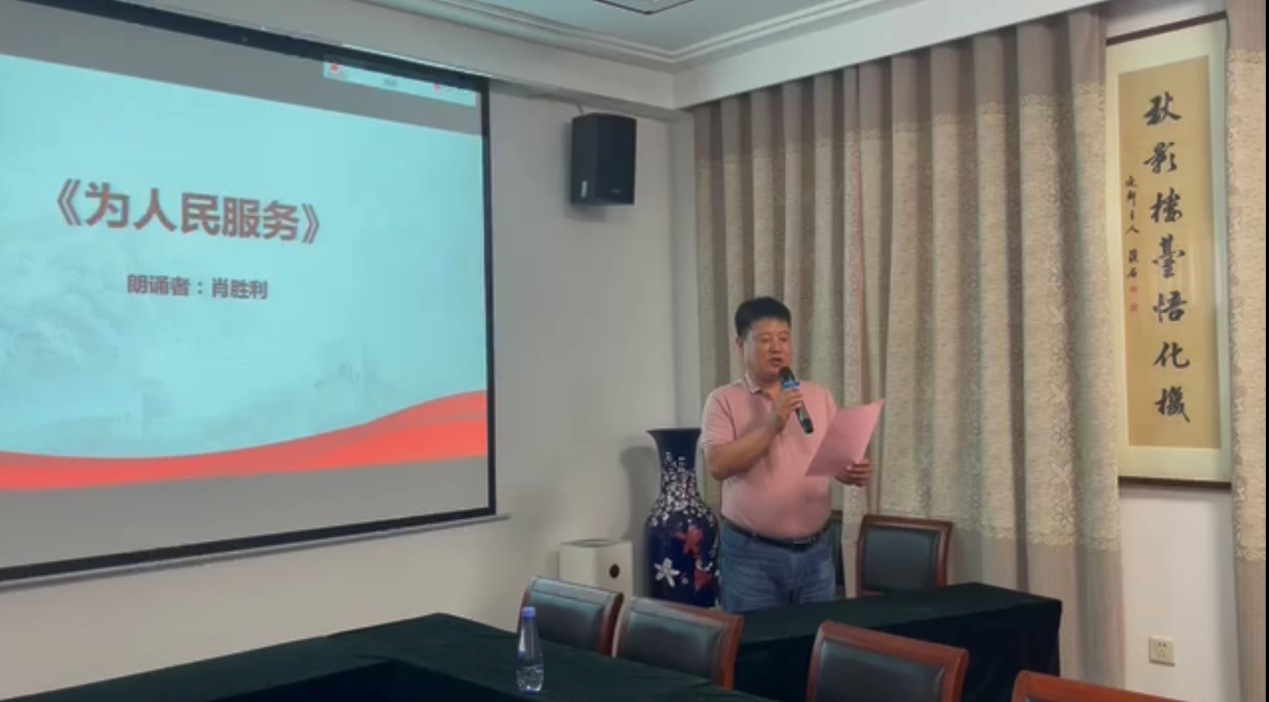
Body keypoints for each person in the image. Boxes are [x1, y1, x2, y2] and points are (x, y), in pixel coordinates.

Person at [701, 296, 872, 614]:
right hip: (752, 556)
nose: (777, 348)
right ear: (740, 345)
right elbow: (718, 465)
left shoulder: (818, 396)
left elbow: (832, 458)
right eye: (765, 340)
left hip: (816, 553)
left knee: (816, 639)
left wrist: (849, 472)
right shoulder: (723, 400)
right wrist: (771, 426)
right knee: (757, 641)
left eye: (783, 338)